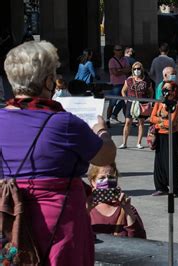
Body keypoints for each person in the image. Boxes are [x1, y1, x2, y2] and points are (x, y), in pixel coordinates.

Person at [0, 41, 116, 265]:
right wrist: (102, 131)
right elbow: (105, 157)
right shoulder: (64, 123)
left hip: (10, 218)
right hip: (58, 221)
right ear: (48, 81)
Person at [88, 163, 146, 238]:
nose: (107, 182)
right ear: (93, 182)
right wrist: (86, 210)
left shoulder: (126, 208)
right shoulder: (85, 209)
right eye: (102, 178)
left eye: (111, 177)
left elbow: (140, 241)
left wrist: (128, 212)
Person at [150, 81, 178, 196]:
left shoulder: (175, 104)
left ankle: (174, 189)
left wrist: (159, 122)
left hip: (171, 136)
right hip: (160, 135)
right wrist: (161, 123)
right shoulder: (159, 102)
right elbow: (152, 118)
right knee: (159, 162)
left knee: (171, 162)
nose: (165, 91)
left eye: (167, 89)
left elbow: (172, 122)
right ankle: (161, 187)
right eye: (164, 89)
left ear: (173, 91)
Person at [119, 61, 154, 149]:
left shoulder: (146, 79)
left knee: (141, 122)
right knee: (127, 122)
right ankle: (124, 143)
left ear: (141, 69)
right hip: (131, 102)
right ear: (132, 70)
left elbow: (151, 91)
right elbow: (123, 90)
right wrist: (125, 99)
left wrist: (149, 101)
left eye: (138, 68)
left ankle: (138, 143)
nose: (136, 70)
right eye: (134, 69)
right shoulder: (129, 79)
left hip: (142, 102)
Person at [107, 45, 130, 126]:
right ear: (114, 51)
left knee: (125, 102)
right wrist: (123, 70)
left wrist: (120, 70)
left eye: (120, 49)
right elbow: (115, 73)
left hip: (124, 84)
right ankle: (107, 120)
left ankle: (127, 120)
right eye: (117, 50)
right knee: (112, 103)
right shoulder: (112, 61)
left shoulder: (125, 59)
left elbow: (128, 70)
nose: (119, 51)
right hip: (115, 85)